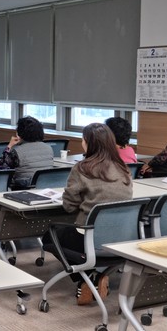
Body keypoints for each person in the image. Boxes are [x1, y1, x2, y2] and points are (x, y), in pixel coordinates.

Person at [44, 123, 132, 306]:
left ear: (88, 143)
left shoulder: (82, 168)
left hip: (90, 238)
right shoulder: (123, 168)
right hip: (120, 237)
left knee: (50, 236)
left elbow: (69, 207)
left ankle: (85, 277)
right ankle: (95, 276)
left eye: (83, 140)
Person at [0, 116, 54, 189]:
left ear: (20, 133)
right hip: (45, 187)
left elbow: (2, 168)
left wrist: (9, 146)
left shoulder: (16, 151)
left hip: (23, 188)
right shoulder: (49, 148)